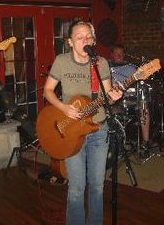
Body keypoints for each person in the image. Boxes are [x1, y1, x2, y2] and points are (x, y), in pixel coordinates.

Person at [43, 20, 122, 224]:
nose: (85, 40)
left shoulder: (100, 63)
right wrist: (63, 108)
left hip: (98, 130)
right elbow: (48, 91)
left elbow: (107, 95)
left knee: (96, 185)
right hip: (71, 132)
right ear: (70, 41)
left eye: (88, 37)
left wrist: (114, 96)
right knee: (77, 187)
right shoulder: (61, 61)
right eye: (80, 37)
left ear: (93, 40)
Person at [110, 44, 151, 148]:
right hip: (110, 100)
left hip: (129, 99)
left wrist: (143, 75)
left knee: (144, 108)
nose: (119, 56)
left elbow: (141, 83)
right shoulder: (105, 67)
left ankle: (146, 142)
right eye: (117, 54)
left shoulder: (131, 68)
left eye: (121, 54)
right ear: (112, 55)